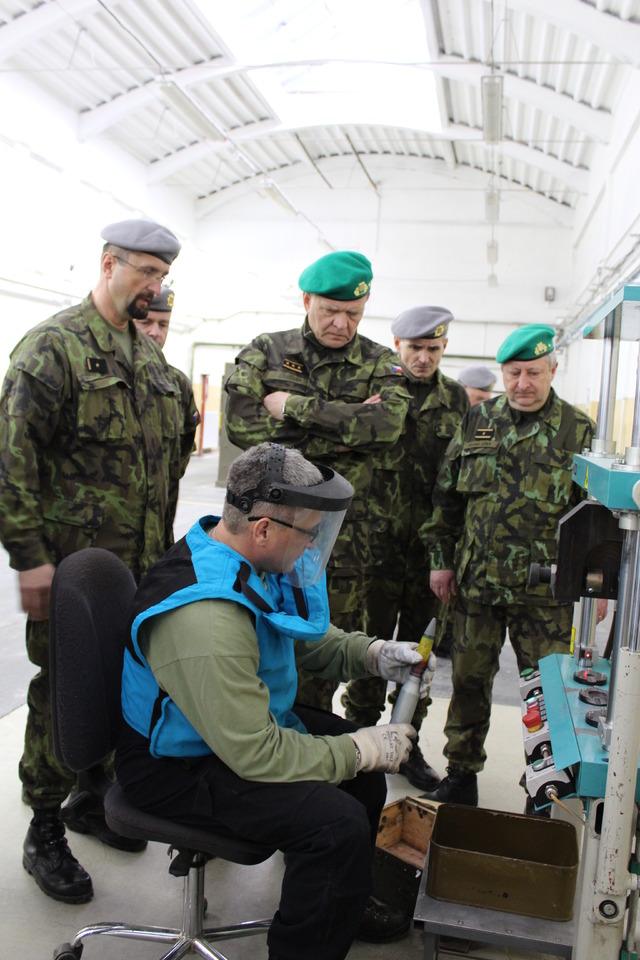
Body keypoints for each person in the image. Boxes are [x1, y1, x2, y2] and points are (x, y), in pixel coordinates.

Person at [116, 442, 434, 959]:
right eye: (309, 533)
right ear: (263, 528)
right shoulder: (206, 620)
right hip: (175, 764)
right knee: (335, 826)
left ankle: (337, 897)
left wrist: (374, 655)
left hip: (223, 727)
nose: (313, 546)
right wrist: (361, 748)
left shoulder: (239, 553)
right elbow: (256, 753)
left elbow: (293, 634)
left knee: (362, 780)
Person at [0, 217, 185, 904]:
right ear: (109, 264)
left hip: (137, 567)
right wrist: (30, 558)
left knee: (121, 683)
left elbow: (166, 468)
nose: (154, 287)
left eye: (162, 276)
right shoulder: (53, 348)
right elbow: (11, 461)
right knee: (61, 691)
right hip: (71, 570)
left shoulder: (150, 362)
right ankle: (43, 825)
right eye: (145, 271)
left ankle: (91, 792)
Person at [419, 324, 604, 807]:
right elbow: (446, 497)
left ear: (553, 370)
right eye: (514, 373)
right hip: (477, 585)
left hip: (546, 592)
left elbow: (595, 516)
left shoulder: (578, 429)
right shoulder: (478, 419)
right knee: (468, 681)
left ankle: (543, 786)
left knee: (547, 693)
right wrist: (441, 562)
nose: (522, 383)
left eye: (533, 373)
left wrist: (596, 584)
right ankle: (461, 774)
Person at [224, 251, 410, 711]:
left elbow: (386, 427)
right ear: (307, 300)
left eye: (353, 314)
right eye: (330, 310)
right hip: (262, 536)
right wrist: (346, 432)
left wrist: (291, 408)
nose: (341, 324)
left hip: (339, 546)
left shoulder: (380, 361)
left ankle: (309, 742)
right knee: (250, 642)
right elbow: (241, 425)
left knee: (319, 656)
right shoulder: (267, 350)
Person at [340, 306, 469, 791]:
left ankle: (406, 744)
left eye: (433, 349)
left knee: (421, 654)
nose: (423, 357)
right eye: (415, 348)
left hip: (429, 557)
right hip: (374, 550)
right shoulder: (375, 389)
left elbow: (459, 478)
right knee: (369, 650)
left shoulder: (456, 400)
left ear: (444, 348)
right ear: (398, 345)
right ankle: (358, 740)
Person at [133, 284, 201, 526]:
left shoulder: (177, 383)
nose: (155, 332)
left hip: (157, 527)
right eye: (146, 322)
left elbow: (181, 454)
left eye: (163, 324)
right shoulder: (107, 376)